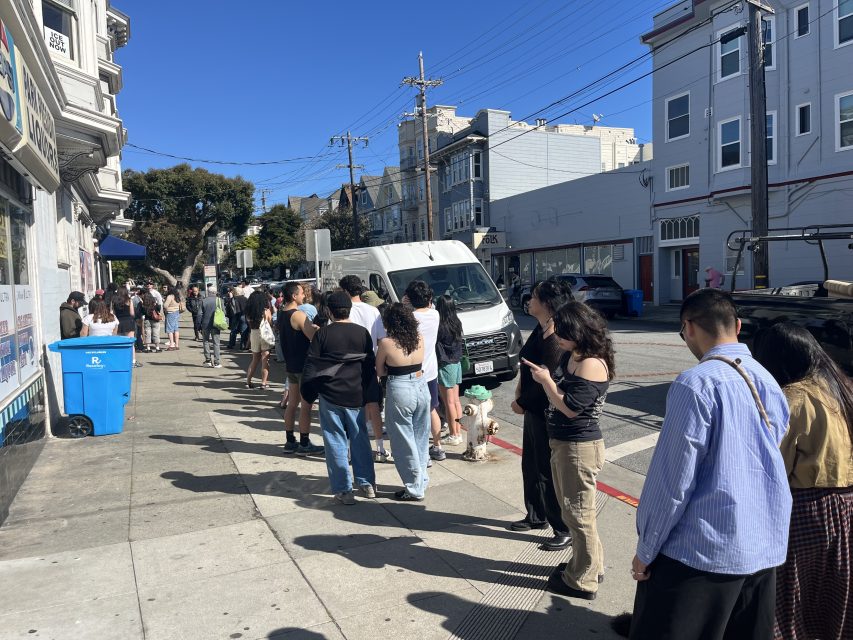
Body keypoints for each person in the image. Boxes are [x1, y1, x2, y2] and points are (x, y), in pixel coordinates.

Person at [628, 289, 791, 639]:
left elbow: (672, 479)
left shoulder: (696, 383)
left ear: (688, 327)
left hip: (699, 555)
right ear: (738, 325)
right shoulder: (767, 380)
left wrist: (646, 549)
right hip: (761, 549)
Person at [753, 323, 853, 640]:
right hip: (845, 509)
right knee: (832, 597)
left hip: (805, 510)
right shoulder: (840, 388)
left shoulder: (790, 399)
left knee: (789, 601)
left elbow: (770, 470)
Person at [527, 300, 613, 600]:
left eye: (563, 332)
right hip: (564, 444)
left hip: (579, 446)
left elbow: (571, 408)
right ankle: (590, 565)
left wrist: (547, 381)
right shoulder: (572, 354)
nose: (558, 337)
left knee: (578, 514)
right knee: (575, 511)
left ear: (580, 330)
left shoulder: (591, 362)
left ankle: (583, 579)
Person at [510, 278, 573, 549]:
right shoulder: (541, 327)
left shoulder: (556, 335)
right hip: (533, 410)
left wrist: (522, 402)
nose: (529, 301)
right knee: (532, 466)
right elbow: (530, 365)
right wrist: (520, 388)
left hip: (545, 410)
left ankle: (562, 527)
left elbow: (549, 379)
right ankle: (536, 515)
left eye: (534, 297)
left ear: (547, 303)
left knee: (547, 470)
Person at [300, 291, 377, 505]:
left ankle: (344, 490)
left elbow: (312, 365)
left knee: (335, 441)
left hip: (330, 395)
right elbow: (369, 367)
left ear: (330, 311)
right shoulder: (362, 333)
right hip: (357, 394)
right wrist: (373, 395)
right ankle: (367, 483)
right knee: (360, 438)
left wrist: (308, 393)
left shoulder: (322, 334)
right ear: (349, 309)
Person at [376, 303, 431, 500]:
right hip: (421, 383)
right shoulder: (419, 338)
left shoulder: (386, 343)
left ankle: (414, 487)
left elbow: (380, 370)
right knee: (420, 436)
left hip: (399, 387)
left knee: (402, 439)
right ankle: (421, 479)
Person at [340, 275, 390, 463]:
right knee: (374, 406)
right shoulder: (373, 310)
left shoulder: (345, 312)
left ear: (345, 291)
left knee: (352, 409)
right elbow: (380, 339)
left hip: (349, 364)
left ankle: (352, 451)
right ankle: (380, 448)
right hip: (370, 362)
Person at [278, 282, 324, 456]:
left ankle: (290, 440)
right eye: (301, 293)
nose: (304, 296)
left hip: (291, 365)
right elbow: (312, 336)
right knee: (306, 405)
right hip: (303, 364)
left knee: (292, 403)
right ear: (294, 296)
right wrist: (317, 329)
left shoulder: (282, 313)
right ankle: (305, 442)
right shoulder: (297, 315)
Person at [405, 280, 443, 464]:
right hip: (431, 371)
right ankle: (437, 446)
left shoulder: (410, 318)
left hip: (412, 371)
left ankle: (422, 454)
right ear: (429, 298)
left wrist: (405, 304)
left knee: (414, 415)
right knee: (431, 409)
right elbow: (430, 305)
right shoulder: (435, 315)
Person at [435, 295, 464, 446]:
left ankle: (454, 434)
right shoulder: (457, 323)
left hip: (445, 365)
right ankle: (457, 431)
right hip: (456, 363)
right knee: (456, 401)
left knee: (449, 403)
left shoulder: (440, 326)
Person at [244, 289, 272, 389]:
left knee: (255, 359)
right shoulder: (265, 310)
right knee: (265, 359)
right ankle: (263, 383)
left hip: (254, 333)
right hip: (264, 333)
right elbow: (269, 321)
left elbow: (248, 322)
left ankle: (248, 381)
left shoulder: (249, 312)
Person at [113, 286, 141, 368]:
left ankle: (120, 361)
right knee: (130, 343)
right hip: (128, 322)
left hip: (118, 322)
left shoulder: (114, 301)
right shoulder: (129, 300)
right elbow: (132, 313)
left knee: (119, 343)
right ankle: (133, 361)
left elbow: (112, 312)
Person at [199, 286, 222, 368]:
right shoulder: (219, 300)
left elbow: (199, 314)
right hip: (216, 324)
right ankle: (217, 362)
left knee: (205, 341)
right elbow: (224, 312)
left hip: (205, 324)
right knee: (216, 343)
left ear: (208, 292)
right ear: (215, 292)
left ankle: (208, 360)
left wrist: (198, 325)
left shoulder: (203, 301)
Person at [162, 285, 183, 350]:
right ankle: (176, 344)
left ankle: (171, 344)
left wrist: (163, 302)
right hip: (177, 312)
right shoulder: (176, 296)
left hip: (170, 313)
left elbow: (165, 306)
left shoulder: (170, 296)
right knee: (176, 329)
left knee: (169, 329)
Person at [229, 285, 249, 350]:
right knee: (244, 331)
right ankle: (243, 345)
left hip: (235, 315)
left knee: (233, 331)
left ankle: (231, 344)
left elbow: (230, 308)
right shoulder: (245, 298)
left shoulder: (233, 299)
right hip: (243, 315)